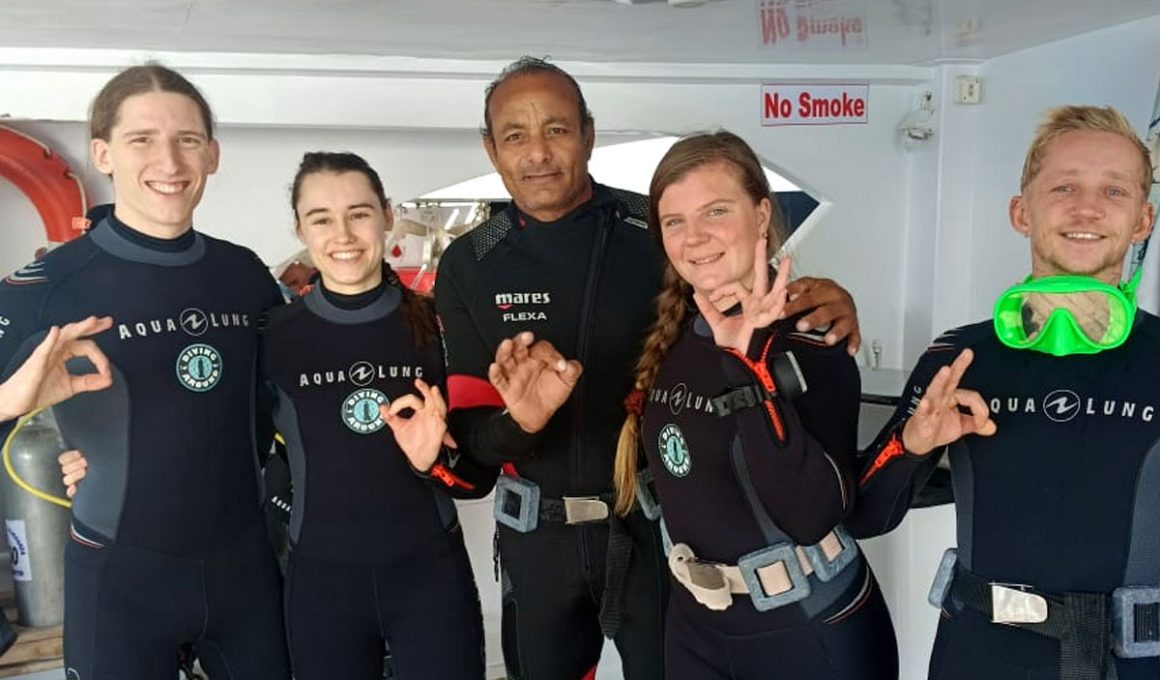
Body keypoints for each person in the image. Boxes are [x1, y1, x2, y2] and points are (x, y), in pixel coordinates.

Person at [434, 55, 862, 680]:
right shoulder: (470, 262)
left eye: (556, 129)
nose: (538, 154)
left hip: (657, 529)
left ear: (588, 132)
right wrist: (524, 421)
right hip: (539, 543)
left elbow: (740, 303)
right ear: (491, 149)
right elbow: (474, 443)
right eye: (515, 135)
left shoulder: (653, 230)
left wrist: (821, 299)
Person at [0, 64, 291, 679]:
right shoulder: (48, 288)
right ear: (102, 152)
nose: (169, 159)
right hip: (120, 581)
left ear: (212, 154)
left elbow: (288, 405)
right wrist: (8, 403)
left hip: (246, 572)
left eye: (187, 139)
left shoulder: (246, 275)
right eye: (141, 139)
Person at [854, 105, 1156, 680]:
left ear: (1143, 220)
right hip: (980, 655)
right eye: (1063, 186)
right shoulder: (957, 358)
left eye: (1114, 191)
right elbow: (867, 513)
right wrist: (914, 443)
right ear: (1021, 211)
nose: (1086, 207)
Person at [612, 130, 898, 680]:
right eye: (675, 222)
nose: (695, 238)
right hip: (696, 627)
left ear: (762, 215)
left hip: (809, 628)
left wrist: (752, 369)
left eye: (716, 211)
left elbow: (814, 514)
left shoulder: (814, 343)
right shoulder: (674, 336)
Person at [265, 151, 508, 679]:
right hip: (322, 584)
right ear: (299, 228)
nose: (343, 234)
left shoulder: (440, 327)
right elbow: (221, 443)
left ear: (387, 215)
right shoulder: (275, 338)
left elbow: (476, 479)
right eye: (321, 219)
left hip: (428, 576)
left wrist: (432, 463)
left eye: (358, 213)